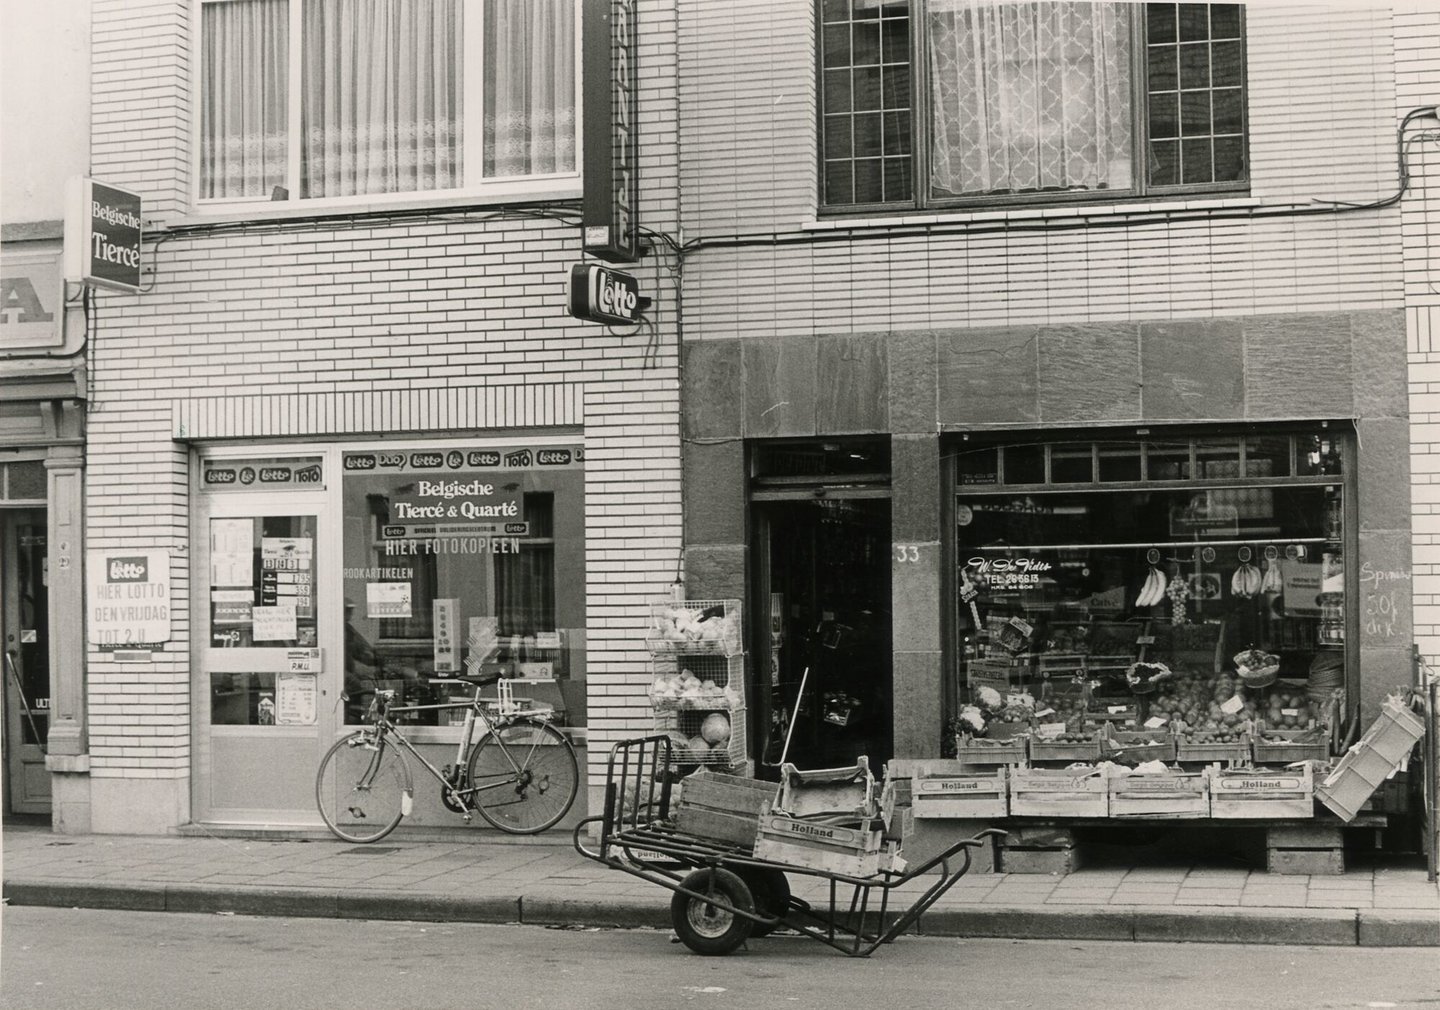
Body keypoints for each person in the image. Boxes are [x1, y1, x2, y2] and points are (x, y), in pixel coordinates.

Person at [343, 599, 383, 723]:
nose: (350, 614)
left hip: (350, 667)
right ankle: (353, 720)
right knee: (355, 685)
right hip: (342, 670)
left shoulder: (348, 628)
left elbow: (361, 646)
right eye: (347, 611)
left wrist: (373, 656)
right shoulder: (337, 628)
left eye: (350, 611)